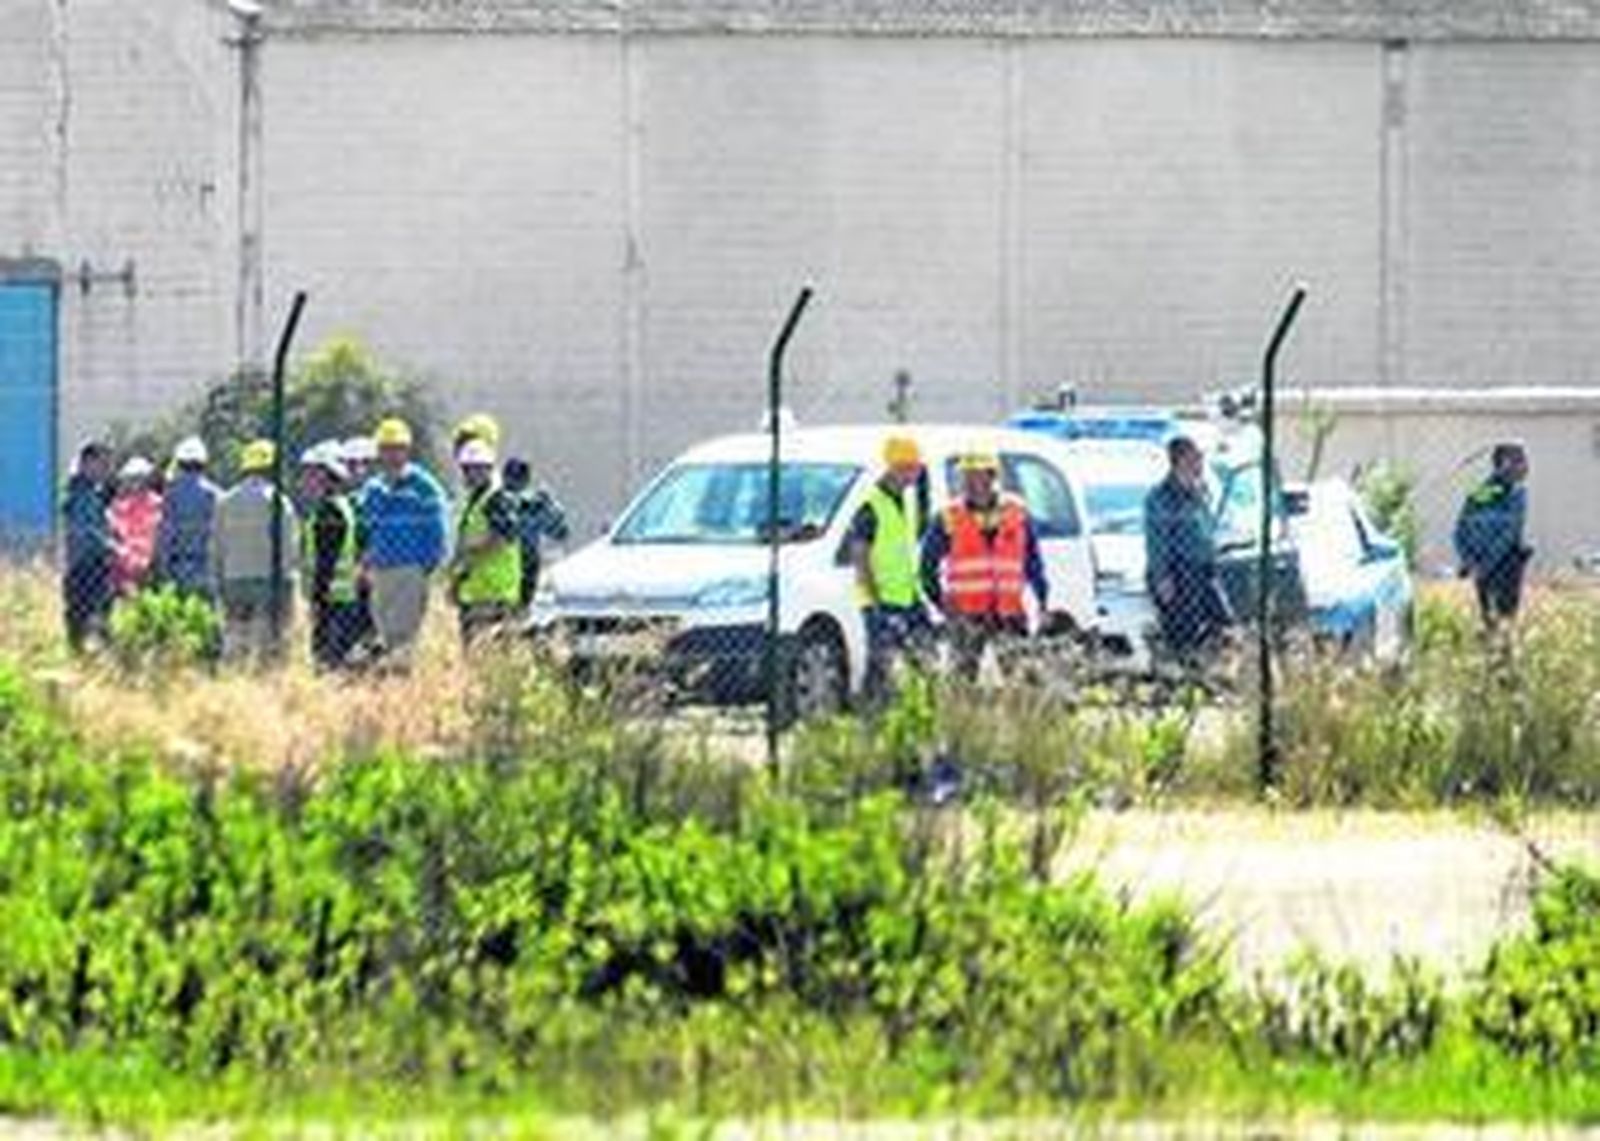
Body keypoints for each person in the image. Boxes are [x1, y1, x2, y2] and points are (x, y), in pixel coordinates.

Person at [919, 450, 1048, 680]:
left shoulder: (1016, 513)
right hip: (966, 615)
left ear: (992, 476)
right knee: (961, 681)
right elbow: (926, 566)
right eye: (967, 476)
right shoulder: (948, 517)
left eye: (977, 475)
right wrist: (941, 602)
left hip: (1009, 613)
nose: (971, 483)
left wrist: (1042, 600)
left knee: (1020, 681)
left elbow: (1033, 562)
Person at [358, 417, 449, 668]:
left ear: (407, 450)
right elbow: (364, 527)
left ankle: (401, 680)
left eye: (397, 448)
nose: (391, 455)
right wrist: (365, 561)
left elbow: (437, 529)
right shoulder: (373, 488)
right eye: (386, 448)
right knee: (384, 632)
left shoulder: (424, 486)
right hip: (380, 568)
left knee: (403, 636)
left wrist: (427, 565)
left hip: (410, 568)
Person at [847, 435, 930, 701]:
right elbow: (860, 559)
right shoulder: (871, 506)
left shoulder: (906, 501)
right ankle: (873, 711)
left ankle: (914, 708)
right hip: (880, 601)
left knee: (922, 662)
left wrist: (916, 596)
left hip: (907, 597)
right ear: (896, 468)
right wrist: (876, 604)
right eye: (911, 469)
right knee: (882, 667)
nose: (915, 476)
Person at [1144, 435, 1233, 662]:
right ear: (1182, 460)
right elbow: (1157, 540)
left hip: (1204, 571)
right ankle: (1182, 666)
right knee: (1183, 633)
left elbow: (1207, 530)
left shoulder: (1199, 493)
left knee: (1223, 625)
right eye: (1196, 457)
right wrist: (1162, 577)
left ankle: (1209, 663)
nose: (1200, 463)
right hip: (1179, 572)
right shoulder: (1162, 497)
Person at [214, 438, 299, 664]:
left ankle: (234, 677)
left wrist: (220, 580)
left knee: (236, 639)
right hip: (269, 580)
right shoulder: (279, 501)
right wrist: (289, 583)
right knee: (268, 643)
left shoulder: (225, 502)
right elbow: (290, 547)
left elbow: (216, 545)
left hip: (234, 579)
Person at [448, 438, 523, 644]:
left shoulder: (497, 498)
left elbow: (503, 535)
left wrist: (472, 550)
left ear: (489, 469)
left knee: (487, 651)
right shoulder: (475, 500)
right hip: (476, 591)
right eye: (469, 469)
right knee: (475, 652)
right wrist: (457, 577)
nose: (473, 474)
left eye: (479, 469)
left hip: (494, 592)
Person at [298, 442, 364, 670]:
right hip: (342, 596)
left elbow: (326, 559)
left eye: (312, 472)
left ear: (326, 475)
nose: (306, 479)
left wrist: (317, 597)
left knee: (327, 663)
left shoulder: (328, 511)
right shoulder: (342, 505)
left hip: (331, 599)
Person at [1454, 442, 1532, 629]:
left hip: (1482, 568)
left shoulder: (1482, 491)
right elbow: (1510, 532)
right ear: (1504, 463)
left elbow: (1460, 530)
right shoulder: (1514, 493)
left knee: (1490, 621)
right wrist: (1481, 563)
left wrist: (1470, 561)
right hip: (1503, 566)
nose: (1525, 466)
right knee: (1503, 623)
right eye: (1520, 460)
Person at [61, 441, 116, 651]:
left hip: (91, 563)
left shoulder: (91, 492)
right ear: (87, 463)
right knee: (86, 615)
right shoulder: (80, 492)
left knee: (91, 614)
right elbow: (87, 529)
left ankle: (91, 652)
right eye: (101, 463)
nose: (105, 470)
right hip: (84, 564)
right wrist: (111, 546)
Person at [152, 435, 221, 600]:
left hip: (178, 566)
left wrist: (162, 569)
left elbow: (166, 533)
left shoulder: (171, 494)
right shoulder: (215, 494)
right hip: (206, 567)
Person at [501, 456, 569, 609]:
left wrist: (549, 505)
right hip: (501, 565)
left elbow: (560, 531)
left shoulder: (534, 504)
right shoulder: (496, 501)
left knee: (521, 610)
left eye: (519, 479)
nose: (515, 485)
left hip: (526, 562)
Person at [108, 456, 164, 597]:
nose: (136, 483)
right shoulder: (118, 507)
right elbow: (115, 534)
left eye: (139, 478)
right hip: (125, 565)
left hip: (150, 564)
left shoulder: (158, 504)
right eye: (132, 479)